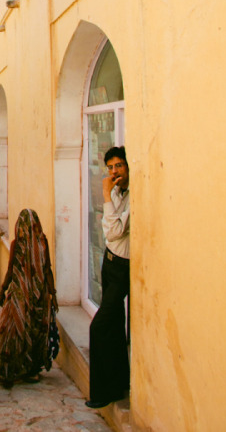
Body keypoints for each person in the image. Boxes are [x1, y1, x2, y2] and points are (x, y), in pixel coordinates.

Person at [0, 208, 58, 386]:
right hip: (39, 295)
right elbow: (47, 270)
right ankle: (32, 369)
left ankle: (11, 369)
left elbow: (11, 269)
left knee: (15, 331)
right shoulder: (42, 242)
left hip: (20, 296)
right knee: (35, 332)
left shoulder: (17, 243)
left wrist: (2, 290)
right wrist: (52, 294)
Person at [86, 146, 130, 409]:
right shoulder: (116, 193)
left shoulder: (128, 196)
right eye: (110, 167)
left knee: (99, 327)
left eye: (119, 166)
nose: (114, 172)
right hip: (110, 262)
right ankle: (119, 383)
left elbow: (112, 231)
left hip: (124, 266)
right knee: (113, 325)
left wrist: (104, 194)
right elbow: (110, 234)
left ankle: (102, 393)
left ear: (127, 167)